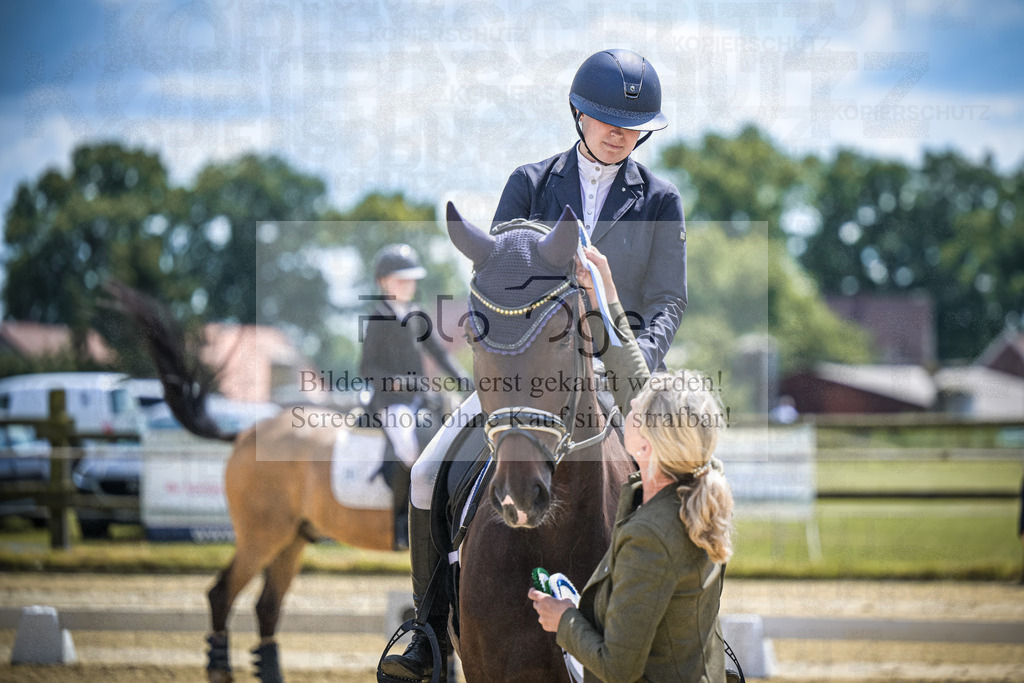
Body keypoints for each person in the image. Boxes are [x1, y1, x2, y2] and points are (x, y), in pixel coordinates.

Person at [382, 48, 687, 680]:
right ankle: (426, 634)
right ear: (579, 114)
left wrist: (632, 361)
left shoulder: (660, 199)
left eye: (633, 126)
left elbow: (668, 299)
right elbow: (499, 279)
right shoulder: (530, 182)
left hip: (619, 368)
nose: (620, 133)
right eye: (608, 120)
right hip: (526, 371)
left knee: (689, 482)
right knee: (427, 472)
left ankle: (696, 639)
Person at [528, 245, 734, 682]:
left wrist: (564, 619)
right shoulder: (696, 476)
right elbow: (632, 377)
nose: (629, 406)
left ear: (650, 446)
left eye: (636, 412)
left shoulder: (650, 536)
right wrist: (605, 296)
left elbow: (618, 668)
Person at [359, 244, 468, 550]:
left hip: (420, 398)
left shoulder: (417, 315)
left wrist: (463, 378)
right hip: (391, 402)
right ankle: (400, 523)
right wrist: (395, 382)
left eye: (411, 279)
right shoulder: (379, 318)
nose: (409, 285)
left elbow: (438, 353)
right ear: (384, 282)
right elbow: (366, 367)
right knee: (408, 450)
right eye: (401, 279)